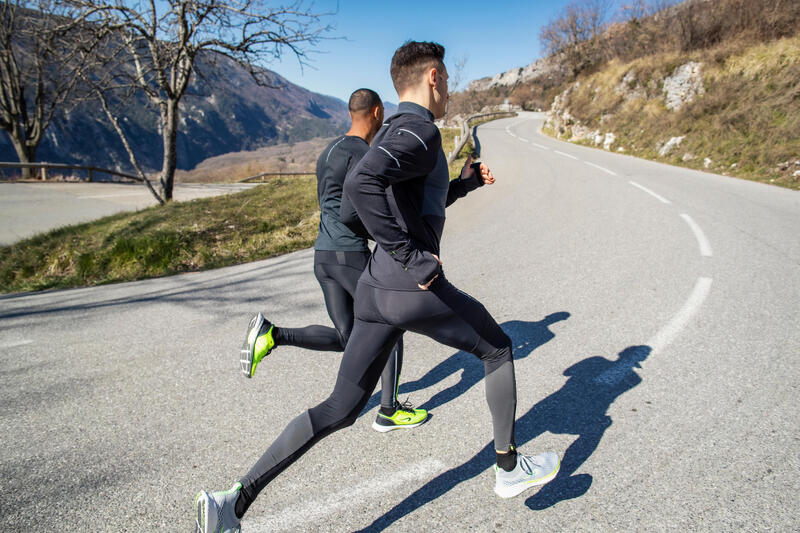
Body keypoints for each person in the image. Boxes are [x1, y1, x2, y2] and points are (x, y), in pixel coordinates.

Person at [195, 41, 560, 533]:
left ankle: (231, 502)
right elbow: (360, 187)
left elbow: (362, 208)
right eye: (447, 80)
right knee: (497, 349)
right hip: (411, 288)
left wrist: (464, 184)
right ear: (433, 77)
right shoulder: (421, 129)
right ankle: (510, 468)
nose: (449, 90)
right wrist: (411, 258)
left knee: (339, 408)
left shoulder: (390, 132)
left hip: (373, 290)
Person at [239, 88, 427, 433]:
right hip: (348, 253)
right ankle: (390, 410)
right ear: (376, 112)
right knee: (391, 326)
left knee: (347, 337)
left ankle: (273, 334)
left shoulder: (328, 152)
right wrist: (386, 238)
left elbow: (330, 206)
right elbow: (356, 210)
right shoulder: (363, 153)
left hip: (323, 256)